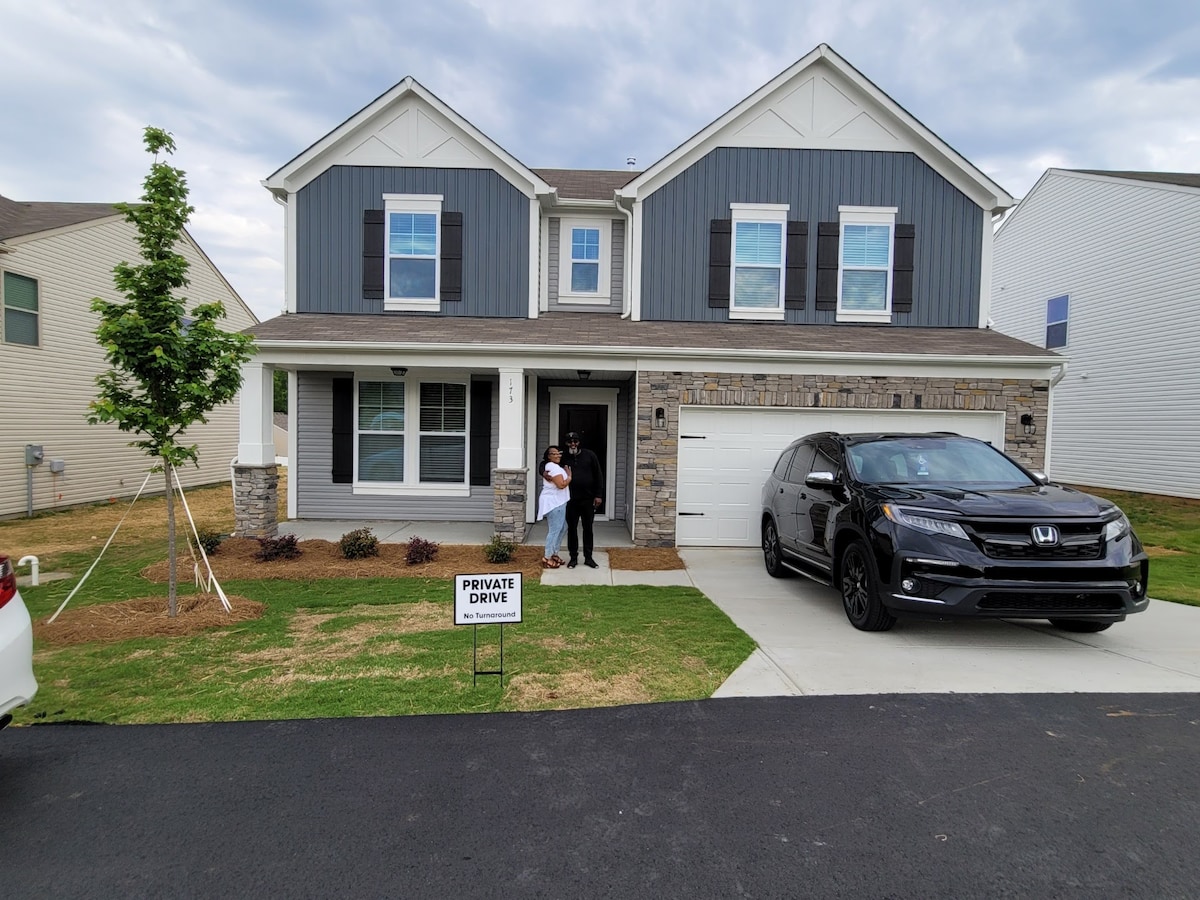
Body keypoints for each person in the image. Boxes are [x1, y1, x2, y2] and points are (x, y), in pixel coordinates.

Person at [563, 431, 603, 568]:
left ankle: (588, 557)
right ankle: (573, 558)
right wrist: (543, 471)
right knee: (572, 529)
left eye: (575, 441)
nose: (573, 444)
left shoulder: (589, 455)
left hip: (588, 499)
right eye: (570, 442)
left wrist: (598, 495)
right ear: (566, 443)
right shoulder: (562, 457)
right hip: (570, 500)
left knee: (588, 528)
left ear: (579, 442)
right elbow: (545, 462)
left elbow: (598, 475)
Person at [537, 445, 571, 568]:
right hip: (554, 502)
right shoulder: (551, 466)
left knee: (562, 528)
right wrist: (570, 476)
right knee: (555, 529)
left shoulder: (554, 466)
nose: (557, 455)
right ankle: (547, 557)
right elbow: (561, 485)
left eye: (559, 453)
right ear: (548, 456)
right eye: (554, 453)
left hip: (559, 501)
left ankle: (554, 553)